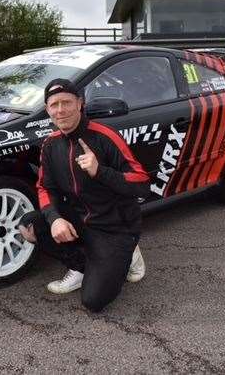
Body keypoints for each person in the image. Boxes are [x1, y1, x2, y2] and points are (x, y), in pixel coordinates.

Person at [17, 78, 151, 312]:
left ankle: (129, 253)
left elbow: (142, 183)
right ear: (47, 109)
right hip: (80, 218)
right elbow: (45, 187)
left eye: (66, 102)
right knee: (29, 225)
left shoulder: (105, 135)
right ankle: (79, 266)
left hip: (114, 225)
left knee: (94, 301)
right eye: (54, 104)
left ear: (80, 103)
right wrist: (55, 219)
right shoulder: (51, 143)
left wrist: (101, 171)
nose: (60, 110)